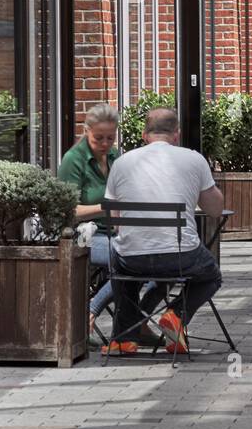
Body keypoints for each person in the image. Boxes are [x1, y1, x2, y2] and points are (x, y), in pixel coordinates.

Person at [102, 107, 224, 355]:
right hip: (180, 258)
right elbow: (215, 210)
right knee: (211, 275)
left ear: (144, 134)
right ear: (176, 135)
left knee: (119, 259)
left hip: (133, 259)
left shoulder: (121, 163)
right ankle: (176, 315)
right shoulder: (194, 159)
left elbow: (114, 222)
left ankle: (124, 339)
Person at [58, 103, 165, 348]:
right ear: (86, 131)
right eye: (98, 138)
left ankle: (136, 323)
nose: (105, 144)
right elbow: (68, 211)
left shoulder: (117, 157)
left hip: (118, 232)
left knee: (162, 260)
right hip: (83, 235)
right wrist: (105, 206)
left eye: (110, 137)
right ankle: (90, 313)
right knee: (132, 259)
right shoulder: (73, 161)